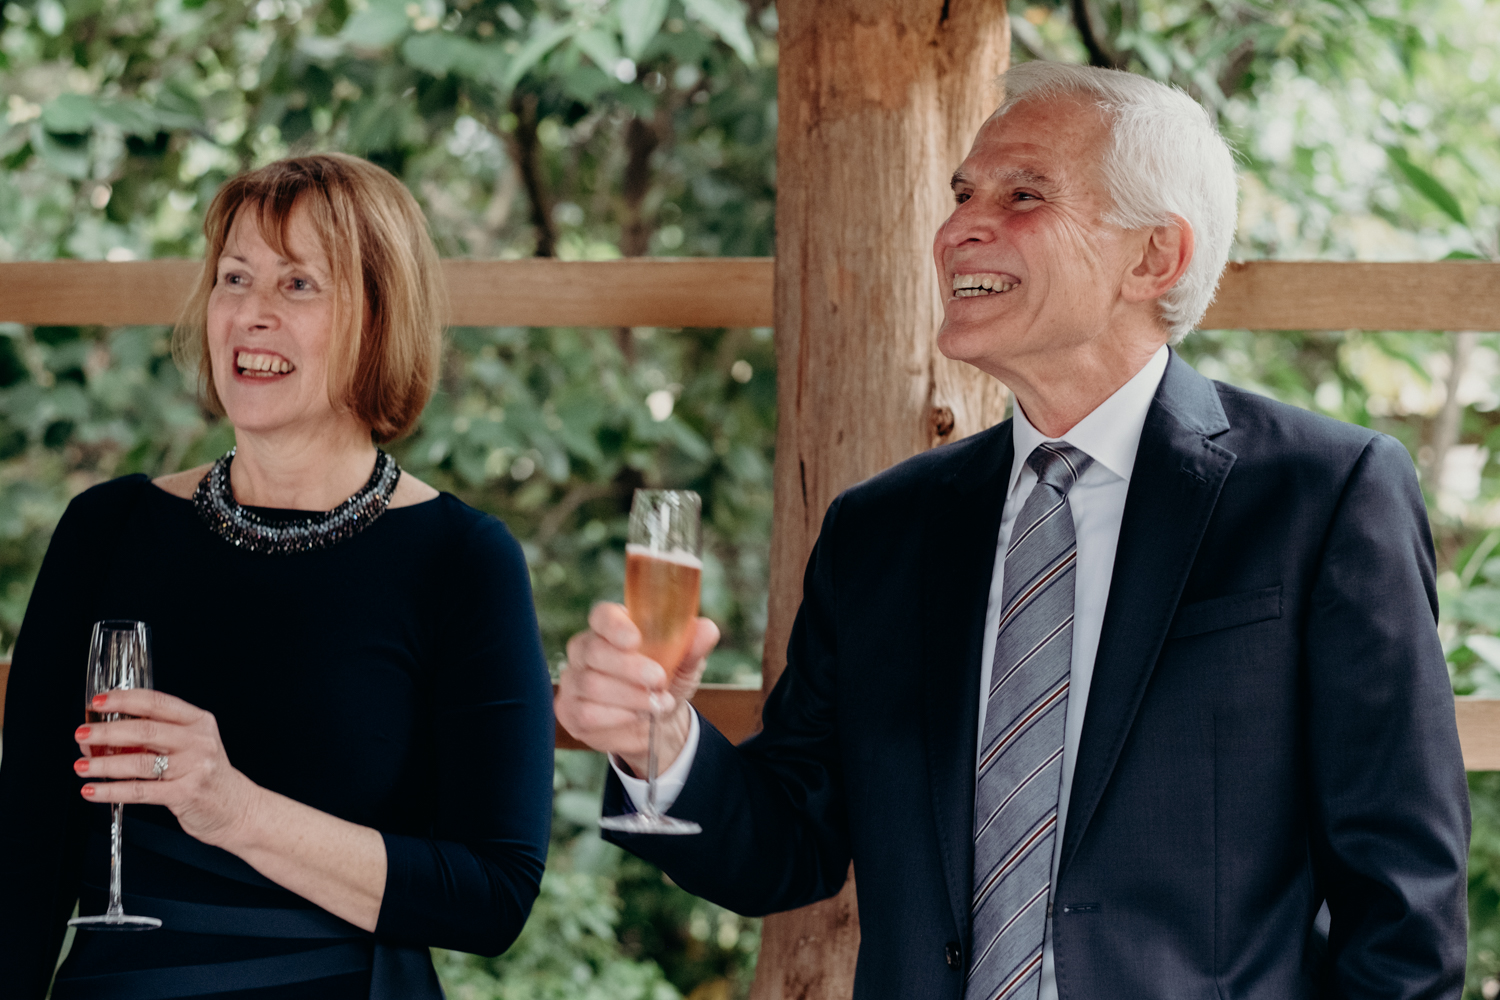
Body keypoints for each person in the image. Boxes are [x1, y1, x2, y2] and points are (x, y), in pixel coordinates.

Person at [555, 62, 1471, 1000]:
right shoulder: (879, 531)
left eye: (1023, 193)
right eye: (961, 194)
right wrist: (659, 741)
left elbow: (1404, 902)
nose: (959, 228)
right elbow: (790, 843)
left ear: (1154, 257)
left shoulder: (1323, 494)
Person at [0, 153, 555, 999]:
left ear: (378, 318)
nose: (251, 316)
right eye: (234, 279)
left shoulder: (463, 559)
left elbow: (492, 897)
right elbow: (27, 855)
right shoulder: (107, 529)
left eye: (298, 286)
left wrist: (233, 808)